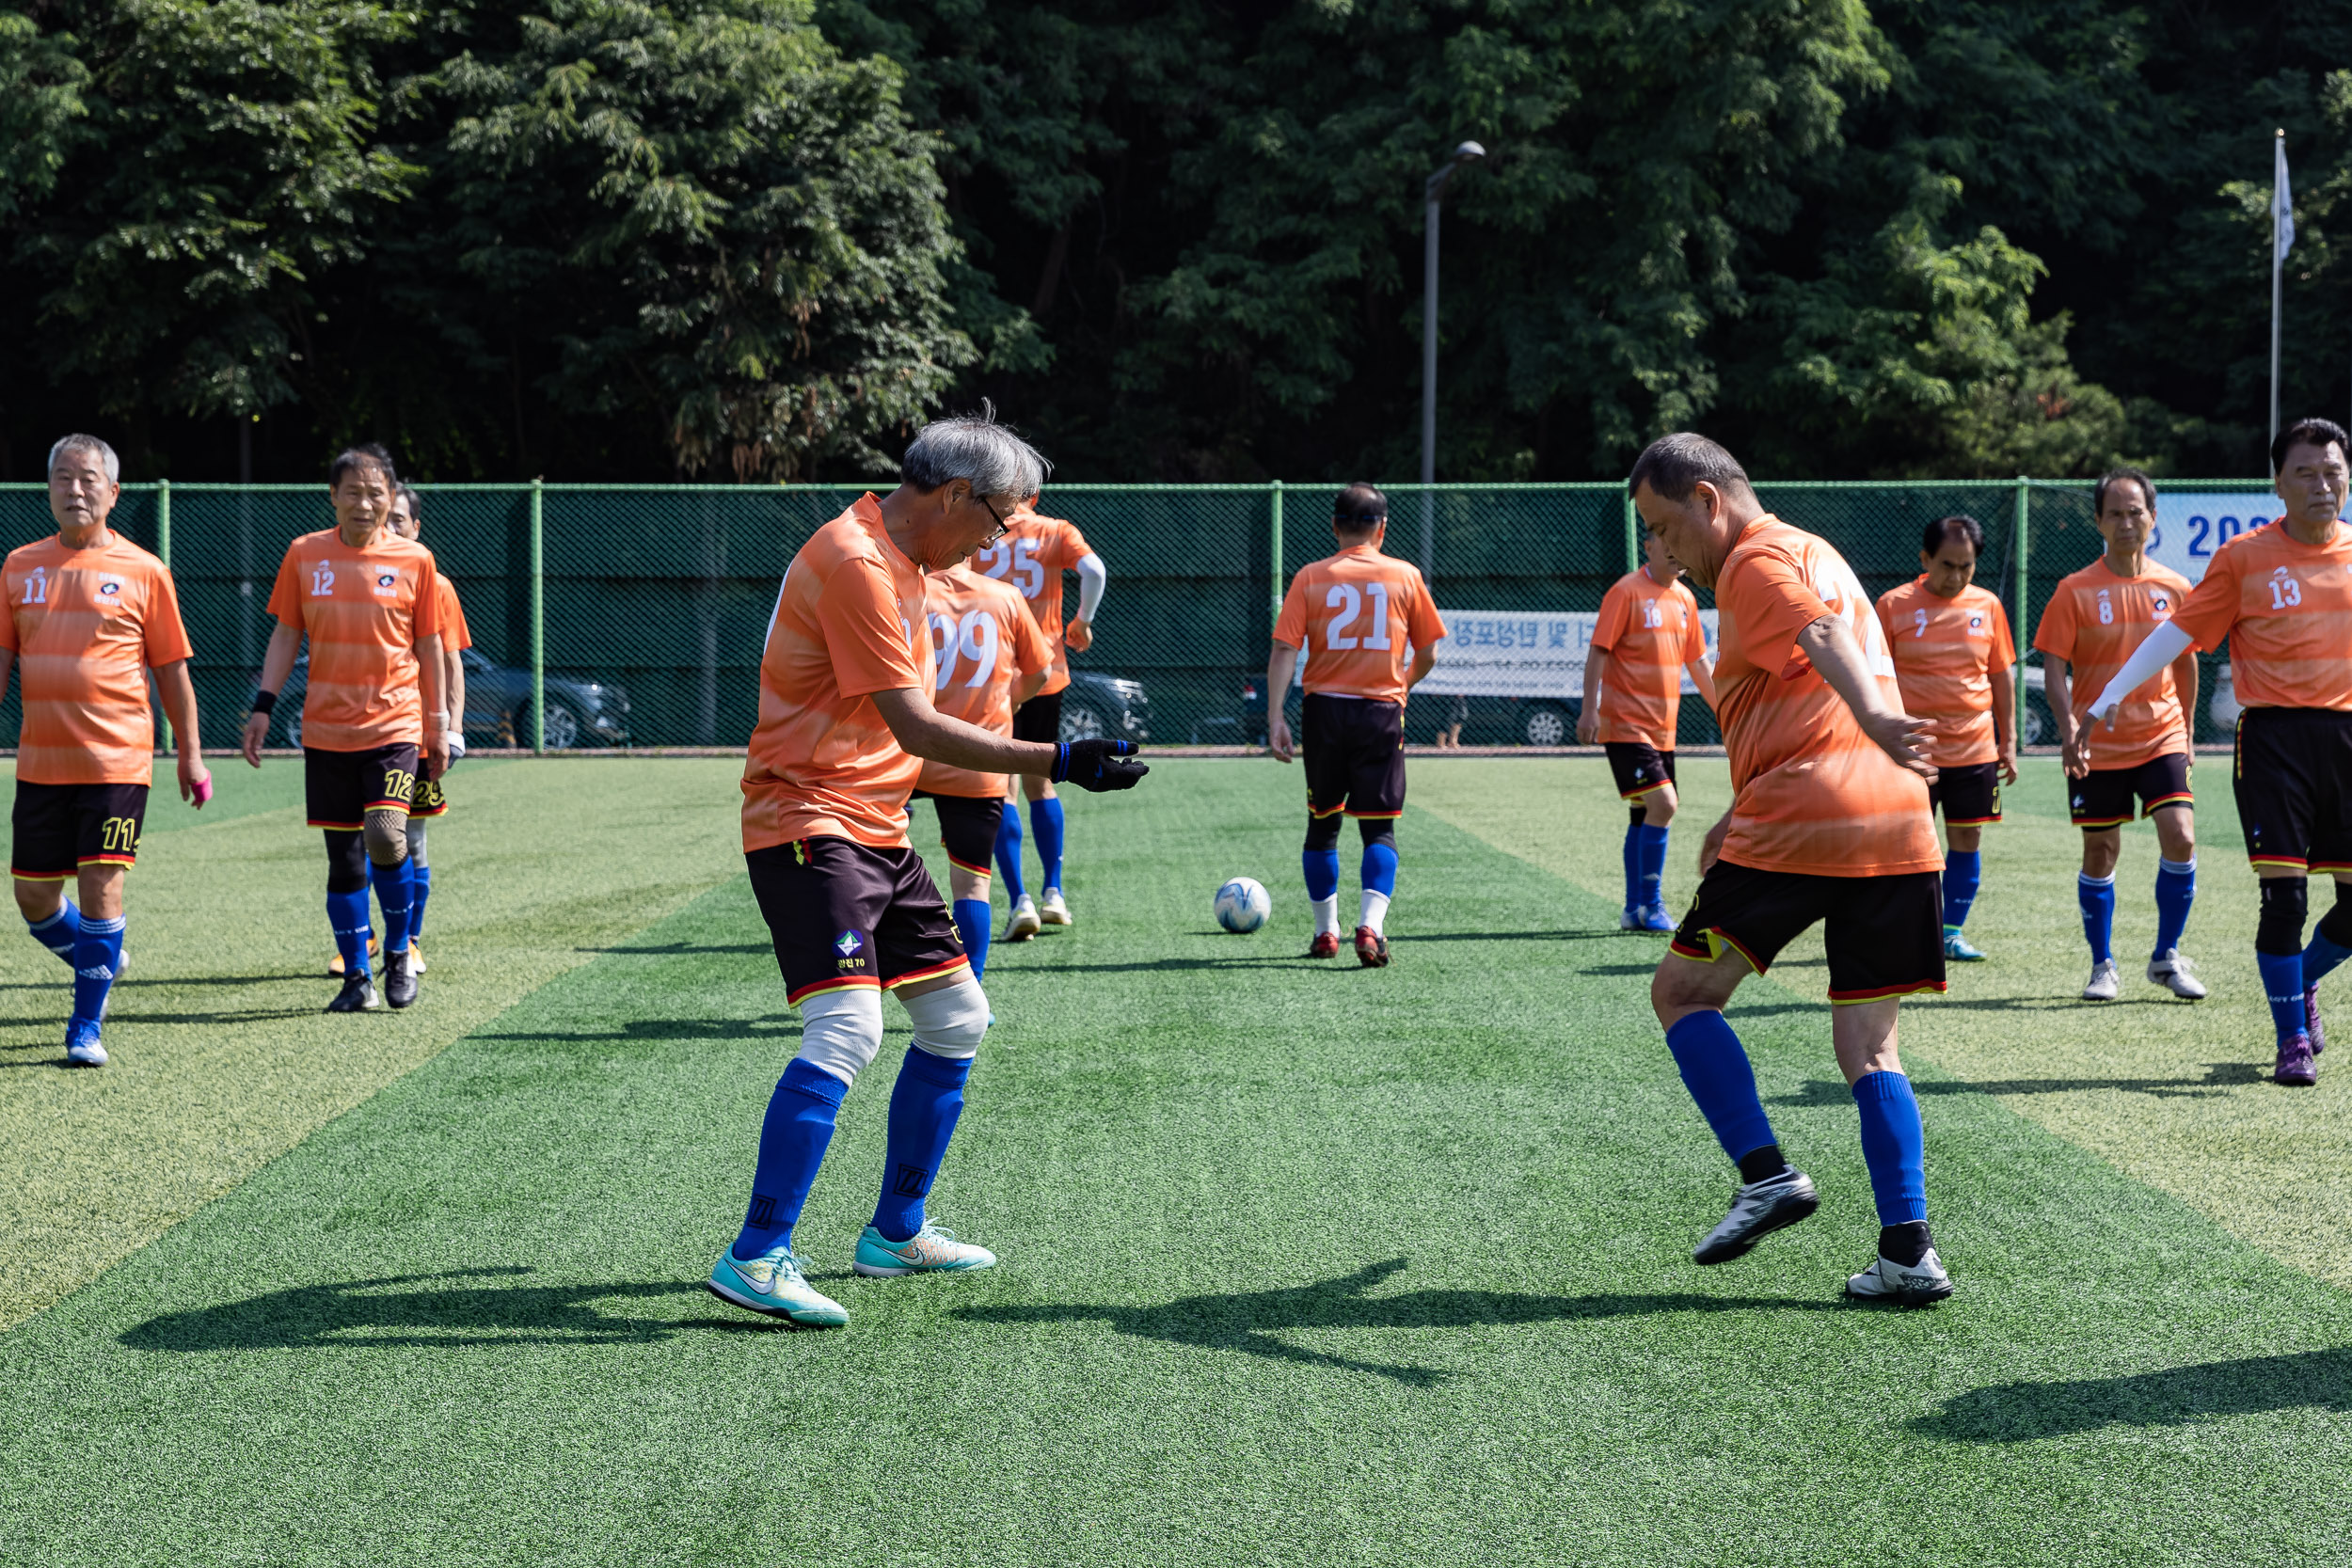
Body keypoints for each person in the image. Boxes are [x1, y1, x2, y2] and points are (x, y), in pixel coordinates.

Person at [709, 409, 1145, 1328]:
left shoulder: (911, 564)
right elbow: (912, 723)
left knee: (955, 1015)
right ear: (954, 495)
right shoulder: (859, 562)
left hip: (872, 825)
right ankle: (755, 1253)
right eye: (998, 522)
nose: (1001, 541)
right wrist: (1057, 761)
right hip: (805, 817)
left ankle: (895, 1230)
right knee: (846, 1030)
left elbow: (917, 730)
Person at [1632, 433, 1953, 1307]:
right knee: (1871, 1045)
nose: (1663, 551)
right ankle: (1908, 1250)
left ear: (1708, 500)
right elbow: (1804, 686)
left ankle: (1766, 1173)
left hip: (1811, 816)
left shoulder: (1752, 559)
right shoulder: (1819, 548)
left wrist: (1881, 716)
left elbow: (1815, 637)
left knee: (1681, 993)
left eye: (1664, 526)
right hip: (1896, 819)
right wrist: (1744, 803)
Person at [2082, 419, 2352, 1086]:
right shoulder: (2244, 558)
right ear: (2278, 485)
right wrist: (2111, 691)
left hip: (2347, 738)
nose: (2323, 484)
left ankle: (2303, 980)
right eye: (2306, 473)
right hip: (2274, 742)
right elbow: (2179, 631)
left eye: (2333, 471)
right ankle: (2291, 1039)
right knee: (2284, 898)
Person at [0, 435, 209, 1067]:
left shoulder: (146, 570)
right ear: (48, 488)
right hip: (41, 762)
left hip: (118, 760)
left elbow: (172, 670)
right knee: (33, 896)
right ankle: (103, 956)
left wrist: (190, 753)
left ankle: (85, 1026)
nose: (76, 489)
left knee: (101, 888)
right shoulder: (18, 566)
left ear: (113, 493)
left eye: (89, 479)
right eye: (64, 477)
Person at [241, 445, 448, 1014]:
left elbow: (430, 645)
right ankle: (357, 977)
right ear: (332, 496)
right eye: (352, 492)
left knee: (386, 833)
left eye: (376, 493)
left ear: (391, 498)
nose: (365, 503)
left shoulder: (415, 560)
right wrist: (263, 706)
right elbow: (287, 634)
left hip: (396, 723)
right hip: (327, 731)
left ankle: (401, 950)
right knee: (345, 858)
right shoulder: (306, 555)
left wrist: (437, 722)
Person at [2037, 471, 2203, 1003]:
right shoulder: (2074, 590)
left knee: (2181, 836)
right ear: (2098, 522)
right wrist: (2068, 731)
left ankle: (2167, 955)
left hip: (2162, 736)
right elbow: (2054, 665)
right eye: (2115, 513)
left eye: (2136, 512)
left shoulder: (2176, 587)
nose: (2127, 522)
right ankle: (2102, 964)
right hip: (2098, 747)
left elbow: (2187, 664)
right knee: (2101, 850)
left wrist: (2189, 730)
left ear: (2153, 517)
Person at [1266, 483, 1448, 967]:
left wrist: (1276, 714)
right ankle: (1371, 927)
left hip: (1324, 711)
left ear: (1334, 527)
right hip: (1380, 713)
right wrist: (1403, 684)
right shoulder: (1405, 575)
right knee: (1379, 829)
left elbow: (1285, 648)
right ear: (1382, 528)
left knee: (1322, 824)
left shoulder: (1310, 576)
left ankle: (1326, 933)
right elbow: (1429, 651)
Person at [1875, 515, 2018, 963]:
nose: (1957, 576)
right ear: (1925, 559)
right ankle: (1900, 931)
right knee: (1907, 844)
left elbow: (2000, 677)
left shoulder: (1988, 606)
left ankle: (1950, 932)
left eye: (1967, 566)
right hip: (1912, 752)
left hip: (1974, 749)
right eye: (1947, 565)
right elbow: (1874, 677)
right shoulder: (1893, 606)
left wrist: (2008, 740)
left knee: (1966, 840)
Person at [910, 561, 1052, 984]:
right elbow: (1040, 671)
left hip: (912, 754)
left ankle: (866, 974)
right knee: (972, 885)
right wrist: (1009, 704)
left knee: (871, 863)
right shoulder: (1005, 596)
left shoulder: (912, 594)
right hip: (980, 759)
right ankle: (970, 992)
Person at [979, 495, 1106, 939]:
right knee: (1041, 781)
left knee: (1002, 786)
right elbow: (1094, 571)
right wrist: (1083, 622)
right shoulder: (1055, 530)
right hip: (1045, 673)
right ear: (1033, 494)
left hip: (989, 677)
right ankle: (1054, 892)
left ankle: (1020, 901)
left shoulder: (977, 527)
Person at [1579, 528, 1716, 930]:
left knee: (1643, 813)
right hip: (1625, 726)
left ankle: (1633, 910)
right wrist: (1591, 709)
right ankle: (1652, 905)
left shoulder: (1686, 599)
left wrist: (1725, 710)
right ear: (1649, 546)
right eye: (1666, 542)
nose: (1675, 551)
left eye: (1680, 542)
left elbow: (1699, 664)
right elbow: (1598, 652)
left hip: (1663, 731)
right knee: (1664, 805)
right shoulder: (1626, 592)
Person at [381, 484, 469, 975]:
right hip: (360, 732)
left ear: (417, 528)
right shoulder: (353, 572)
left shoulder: (436, 585)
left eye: (399, 519)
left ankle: (409, 941)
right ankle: (364, 938)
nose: (390, 527)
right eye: (384, 519)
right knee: (357, 840)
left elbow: (451, 661)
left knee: (408, 838)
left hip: (415, 733)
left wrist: (452, 727)